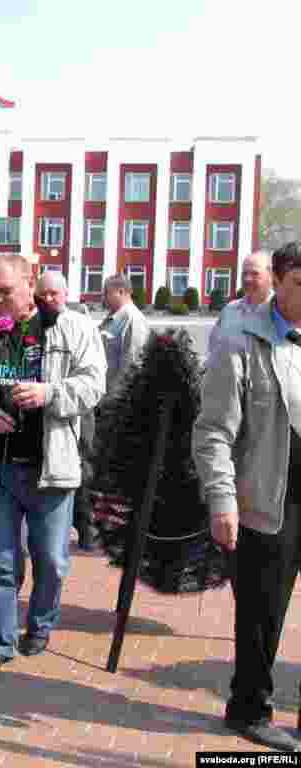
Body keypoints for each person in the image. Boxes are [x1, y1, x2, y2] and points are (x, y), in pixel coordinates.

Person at [0, 254, 105, 676]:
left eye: (5, 292)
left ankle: (40, 623)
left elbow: (93, 383)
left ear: (30, 282)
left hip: (51, 466)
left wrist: (49, 393)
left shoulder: (73, 327)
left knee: (51, 559)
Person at [192, 241, 301, 753]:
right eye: (300, 282)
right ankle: (249, 710)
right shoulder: (240, 343)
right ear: (277, 281)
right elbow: (213, 431)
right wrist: (222, 499)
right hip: (266, 503)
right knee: (261, 615)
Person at [35, 271, 99, 551]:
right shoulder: (31, 325)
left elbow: (92, 380)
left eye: (54, 294)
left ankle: (86, 528)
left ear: (65, 294)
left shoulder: (81, 326)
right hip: (42, 419)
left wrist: (53, 394)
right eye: (43, 294)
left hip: (77, 415)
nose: (48, 299)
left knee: (81, 470)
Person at [208, 250, 273, 349]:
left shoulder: (284, 312)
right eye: (244, 273)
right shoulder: (229, 310)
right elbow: (213, 348)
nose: (247, 279)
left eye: (255, 274)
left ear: (271, 276)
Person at [98, 274, 150, 396]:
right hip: (104, 393)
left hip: (116, 399)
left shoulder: (133, 320)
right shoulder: (113, 317)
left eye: (106, 293)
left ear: (120, 292)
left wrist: (115, 398)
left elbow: (131, 365)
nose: (103, 298)